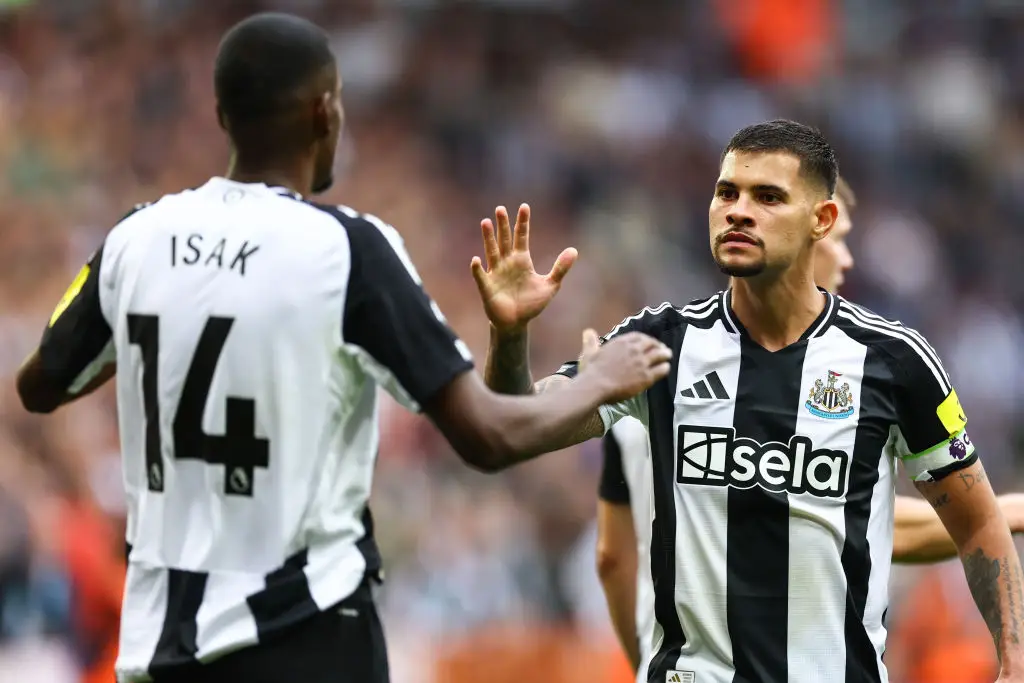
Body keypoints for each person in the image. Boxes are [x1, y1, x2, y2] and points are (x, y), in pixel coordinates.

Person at [13, 12, 672, 683]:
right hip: (310, 646)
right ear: (326, 112)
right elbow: (489, 438)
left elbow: (40, 384)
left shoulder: (136, 239)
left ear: (220, 113)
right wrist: (599, 378)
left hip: (162, 654)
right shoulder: (347, 250)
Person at [471, 119, 1024, 682]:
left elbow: (976, 524)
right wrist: (510, 335)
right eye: (726, 192)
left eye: (768, 197)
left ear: (821, 221)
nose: (738, 210)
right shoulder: (659, 344)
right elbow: (513, 428)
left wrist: (1013, 663)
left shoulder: (892, 361)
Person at [593, 176, 1024, 674]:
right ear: (810, 235)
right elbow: (817, 522)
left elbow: (825, 518)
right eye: (841, 242)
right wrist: (998, 513)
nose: (845, 261)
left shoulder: (658, 364)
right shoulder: (679, 365)